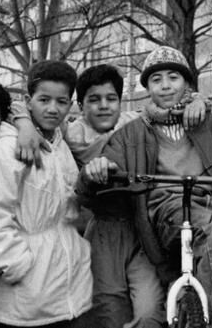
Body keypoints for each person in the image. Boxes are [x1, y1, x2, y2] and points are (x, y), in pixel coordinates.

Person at [81, 45, 212, 328]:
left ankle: (204, 314)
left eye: (173, 78)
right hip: (165, 212)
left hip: (210, 205)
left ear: (187, 83)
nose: (165, 86)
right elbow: (103, 167)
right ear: (147, 89)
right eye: (156, 80)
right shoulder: (132, 133)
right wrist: (97, 170)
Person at [0, 60, 92, 327]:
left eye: (61, 101)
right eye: (44, 100)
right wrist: (15, 266)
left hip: (69, 291)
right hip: (27, 298)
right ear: (28, 100)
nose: (52, 109)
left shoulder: (61, 145)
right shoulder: (8, 149)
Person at [72, 64, 165, 328]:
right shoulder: (70, 138)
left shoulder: (136, 127)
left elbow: (170, 112)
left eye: (111, 98)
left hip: (140, 229)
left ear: (120, 102)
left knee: (149, 311)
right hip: (101, 231)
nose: (104, 106)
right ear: (80, 105)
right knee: (109, 310)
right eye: (94, 99)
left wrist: (196, 102)